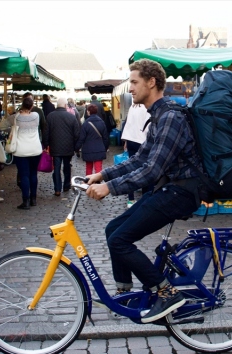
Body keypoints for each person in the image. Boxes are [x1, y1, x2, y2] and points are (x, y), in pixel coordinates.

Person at [85, 58, 202, 324]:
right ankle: (125, 294)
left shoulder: (170, 117)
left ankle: (166, 292)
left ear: (151, 82)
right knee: (113, 230)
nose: (130, 88)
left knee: (120, 240)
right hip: (169, 189)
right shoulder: (159, 116)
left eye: (134, 82)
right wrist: (102, 174)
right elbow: (140, 159)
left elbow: (151, 170)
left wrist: (109, 188)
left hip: (182, 192)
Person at [44, 97, 80, 196]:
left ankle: (57, 189)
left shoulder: (50, 116)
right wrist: (75, 145)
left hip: (55, 146)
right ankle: (66, 185)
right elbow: (77, 133)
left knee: (56, 168)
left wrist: (46, 144)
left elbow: (46, 132)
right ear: (65, 105)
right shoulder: (71, 117)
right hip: (68, 146)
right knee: (67, 166)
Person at [13, 96, 43, 209]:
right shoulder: (36, 116)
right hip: (35, 148)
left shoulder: (17, 117)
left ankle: (25, 201)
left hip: (21, 150)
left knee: (24, 175)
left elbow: (6, 125)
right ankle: (33, 199)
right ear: (31, 106)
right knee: (33, 174)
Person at [120, 103, 152, 208]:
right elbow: (149, 127)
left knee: (131, 169)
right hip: (142, 141)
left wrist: (126, 141)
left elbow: (127, 124)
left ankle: (131, 199)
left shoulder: (133, 107)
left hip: (131, 140)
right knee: (146, 170)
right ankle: (145, 199)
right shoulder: (147, 107)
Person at [75, 104, 109, 176]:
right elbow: (105, 137)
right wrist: (105, 148)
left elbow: (81, 138)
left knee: (89, 168)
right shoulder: (102, 122)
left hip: (88, 149)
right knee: (98, 169)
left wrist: (76, 148)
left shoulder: (86, 123)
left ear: (88, 112)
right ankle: (97, 182)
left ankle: (88, 181)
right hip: (99, 149)